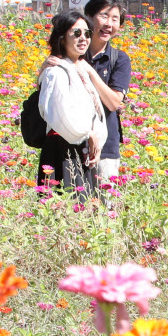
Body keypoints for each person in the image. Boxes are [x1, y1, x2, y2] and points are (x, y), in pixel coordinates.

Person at [37, 10, 107, 201]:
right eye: (76, 33)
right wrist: (88, 133)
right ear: (61, 38)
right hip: (62, 152)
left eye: (87, 33)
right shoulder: (56, 72)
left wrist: (95, 139)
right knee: (66, 211)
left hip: (81, 150)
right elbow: (62, 116)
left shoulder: (80, 69)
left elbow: (93, 112)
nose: (83, 38)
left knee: (86, 213)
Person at [82, 0, 132, 183]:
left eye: (115, 19)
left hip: (106, 147)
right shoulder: (69, 54)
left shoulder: (119, 59)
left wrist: (88, 71)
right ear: (88, 17)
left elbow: (113, 102)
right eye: (104, 16)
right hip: (70, 143)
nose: (109, 24)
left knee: (106, 207)